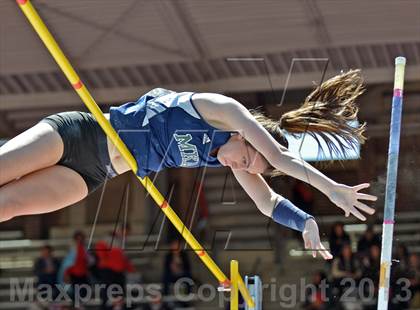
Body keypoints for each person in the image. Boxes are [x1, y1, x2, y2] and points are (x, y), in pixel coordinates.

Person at [0, 70, 377, 260]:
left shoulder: (233, 159)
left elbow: (268, 203)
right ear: (245, 136)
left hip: (95, 173)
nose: (238, 167)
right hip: (79, 134)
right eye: (245, 158)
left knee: (7, 207)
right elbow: (279, 156)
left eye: (246, 167)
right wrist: (331, 188)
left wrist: (307, 222)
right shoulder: (224, 112)